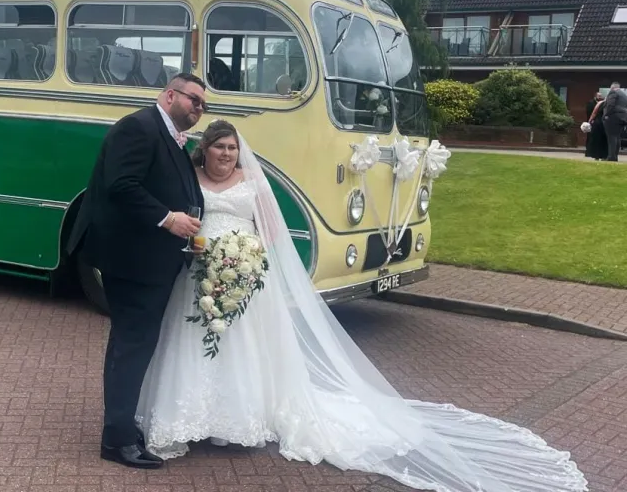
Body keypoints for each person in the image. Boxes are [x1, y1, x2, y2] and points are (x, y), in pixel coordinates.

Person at [135, 119, 589, 492]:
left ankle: (237, 422)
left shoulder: (253, 181)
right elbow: (184, 221)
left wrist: (246, 258)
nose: (227, 155)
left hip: (246, 277)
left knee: (244, 348)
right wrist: (204, 250)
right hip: (199, 274)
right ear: (206, 151)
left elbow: (271, 236)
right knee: (193, 338)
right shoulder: (189, 179)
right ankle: (187, 418)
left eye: (232, 148)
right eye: (219, 148)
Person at [66, 72, 207, 469]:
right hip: (133, 262)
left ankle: (124, 428)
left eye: (203, 105)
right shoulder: (138, 127)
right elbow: (121, 185)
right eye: (193, 100)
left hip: (150, 262)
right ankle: (116, 440)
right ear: (169, 95)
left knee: (135, 344)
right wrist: (168, 219)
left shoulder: (167, 135)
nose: (198, 109)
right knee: (131, 346)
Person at [599, 82, 627, 162]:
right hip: (622, 118)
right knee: (617, 137)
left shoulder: (613, 92)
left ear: (612, 87)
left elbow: (610, 105)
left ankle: (611, 157)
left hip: (613, 118)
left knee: (611, 137)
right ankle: (615, 156)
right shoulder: (624, 95)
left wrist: (606, 115)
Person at [584, 91, 607, 160]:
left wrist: (590, 120)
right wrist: (590, 121)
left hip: (598, 123)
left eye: (601, 96)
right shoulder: (592, 103)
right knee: (596, 139)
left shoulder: (600, 103)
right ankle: (598, 155)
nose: (600, 97)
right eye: (599, 96)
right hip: (600, 123)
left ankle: (596, 155)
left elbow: (594, 113)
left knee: (596, 139)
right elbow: (591, 113)